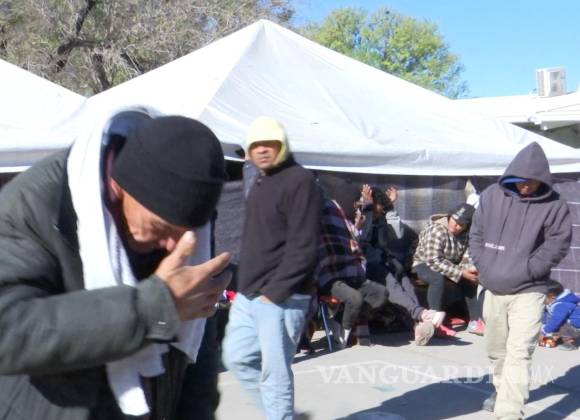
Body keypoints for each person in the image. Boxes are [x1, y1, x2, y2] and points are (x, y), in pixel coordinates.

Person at [0, 108, 233, 420]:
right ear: (118, 186)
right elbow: (7, 330)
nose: (172, 246)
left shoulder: (187, 228)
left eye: (186, 233)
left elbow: (197, 339)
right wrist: (153, 307)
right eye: (160, 229)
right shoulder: (34, 205)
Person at [222, 116, 321, 420]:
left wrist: (274, 293)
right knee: (237, 358)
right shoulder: (260, 180)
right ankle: (282, 416)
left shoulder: (299, 180)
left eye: (270, 144)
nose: (263, 150)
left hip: (282, 296)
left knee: (274, 375)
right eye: (256, 145)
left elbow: (305, 245)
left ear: (283, 145)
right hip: (249, 294)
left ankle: (280, 416)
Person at [470, 141, 572, 419]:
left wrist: (529, 269)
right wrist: (484, 264)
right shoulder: (492, 195)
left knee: (519, 351)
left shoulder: (554, 205)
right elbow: (476, 233)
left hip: (529, 288)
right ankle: (501, 389)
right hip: (492, 286)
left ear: (542, 179)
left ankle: (509, 412)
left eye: (532, 181)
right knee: (496, 349)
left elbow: (558, 243)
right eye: (520, 180)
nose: (525, 185)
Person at [317, 194, 443, 348]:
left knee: (403, 279)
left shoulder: (380, 219)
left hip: (377, 263)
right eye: (379, 206)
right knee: (388, 280)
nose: (380, 210)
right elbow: (359, 244)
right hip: (363, 267)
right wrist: (367, 215)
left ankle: (419, 320)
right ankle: (420, 315)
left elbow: (395, 236)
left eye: (381, 207)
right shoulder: (353, 217)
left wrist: (389, 208)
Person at [412, 202, 482, 337]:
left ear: (467, 227)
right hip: (423, 264)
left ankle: (475, 320)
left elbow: (466, 257)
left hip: (449, 265)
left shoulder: (467, 235)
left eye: (460, 224)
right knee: (437, 278)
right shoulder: (437, 230)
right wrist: (460, 272)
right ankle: (435, 323)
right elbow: (433, 260)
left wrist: (468, 270)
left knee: (470, 279)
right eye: (453, 220)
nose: (454, 225)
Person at [539, 280, 579, 351]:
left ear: (552, 297)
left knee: (560, 322)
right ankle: (561, 337)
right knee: (557, 321)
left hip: (576, 324)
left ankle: (572, 342)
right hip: (571, 324)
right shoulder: (552, 302)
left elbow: (556, 321)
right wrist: (544, 326)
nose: (540, 300)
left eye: (541, 297)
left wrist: (544, 332)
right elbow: (546, 314)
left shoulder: (562, 304)